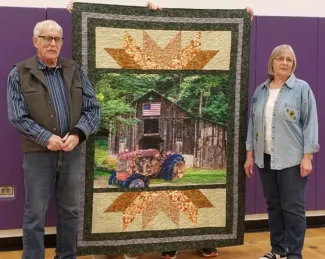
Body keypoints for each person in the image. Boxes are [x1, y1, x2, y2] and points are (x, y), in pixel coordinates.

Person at [67, 1, 253, 259]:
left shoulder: (171, 152)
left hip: (157, 162)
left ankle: (201, 240)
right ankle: (128, 244)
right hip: (138, 168)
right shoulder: (134, 132)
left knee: (174, 187)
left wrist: (242, 18)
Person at [7, 19, 101, 259]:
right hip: (38, 155)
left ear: (61, 42)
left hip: (71, 153)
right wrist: (45, 137)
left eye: (57, 39)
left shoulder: (76, 70)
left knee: (71, 211)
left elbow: (93, 109)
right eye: (46, 38)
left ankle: (66, 256)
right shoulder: (19, 73)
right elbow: (17, 116)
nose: (52, 43)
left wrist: (78, 133)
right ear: (35, 41)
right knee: (35, 214)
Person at [244, 44, 319, 259]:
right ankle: (278, 250)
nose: (284, 63)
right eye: (280, 58)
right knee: (274, 206)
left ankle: (294, 254)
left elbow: (310, 124)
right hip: (264, 159)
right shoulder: (261, 90)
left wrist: (307, 158)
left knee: (293, 209)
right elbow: (252, 124)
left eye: (289, 60)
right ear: (272, 62)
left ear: (293, 64)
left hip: (292, 160)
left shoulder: (302, 89)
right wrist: (250, 155)